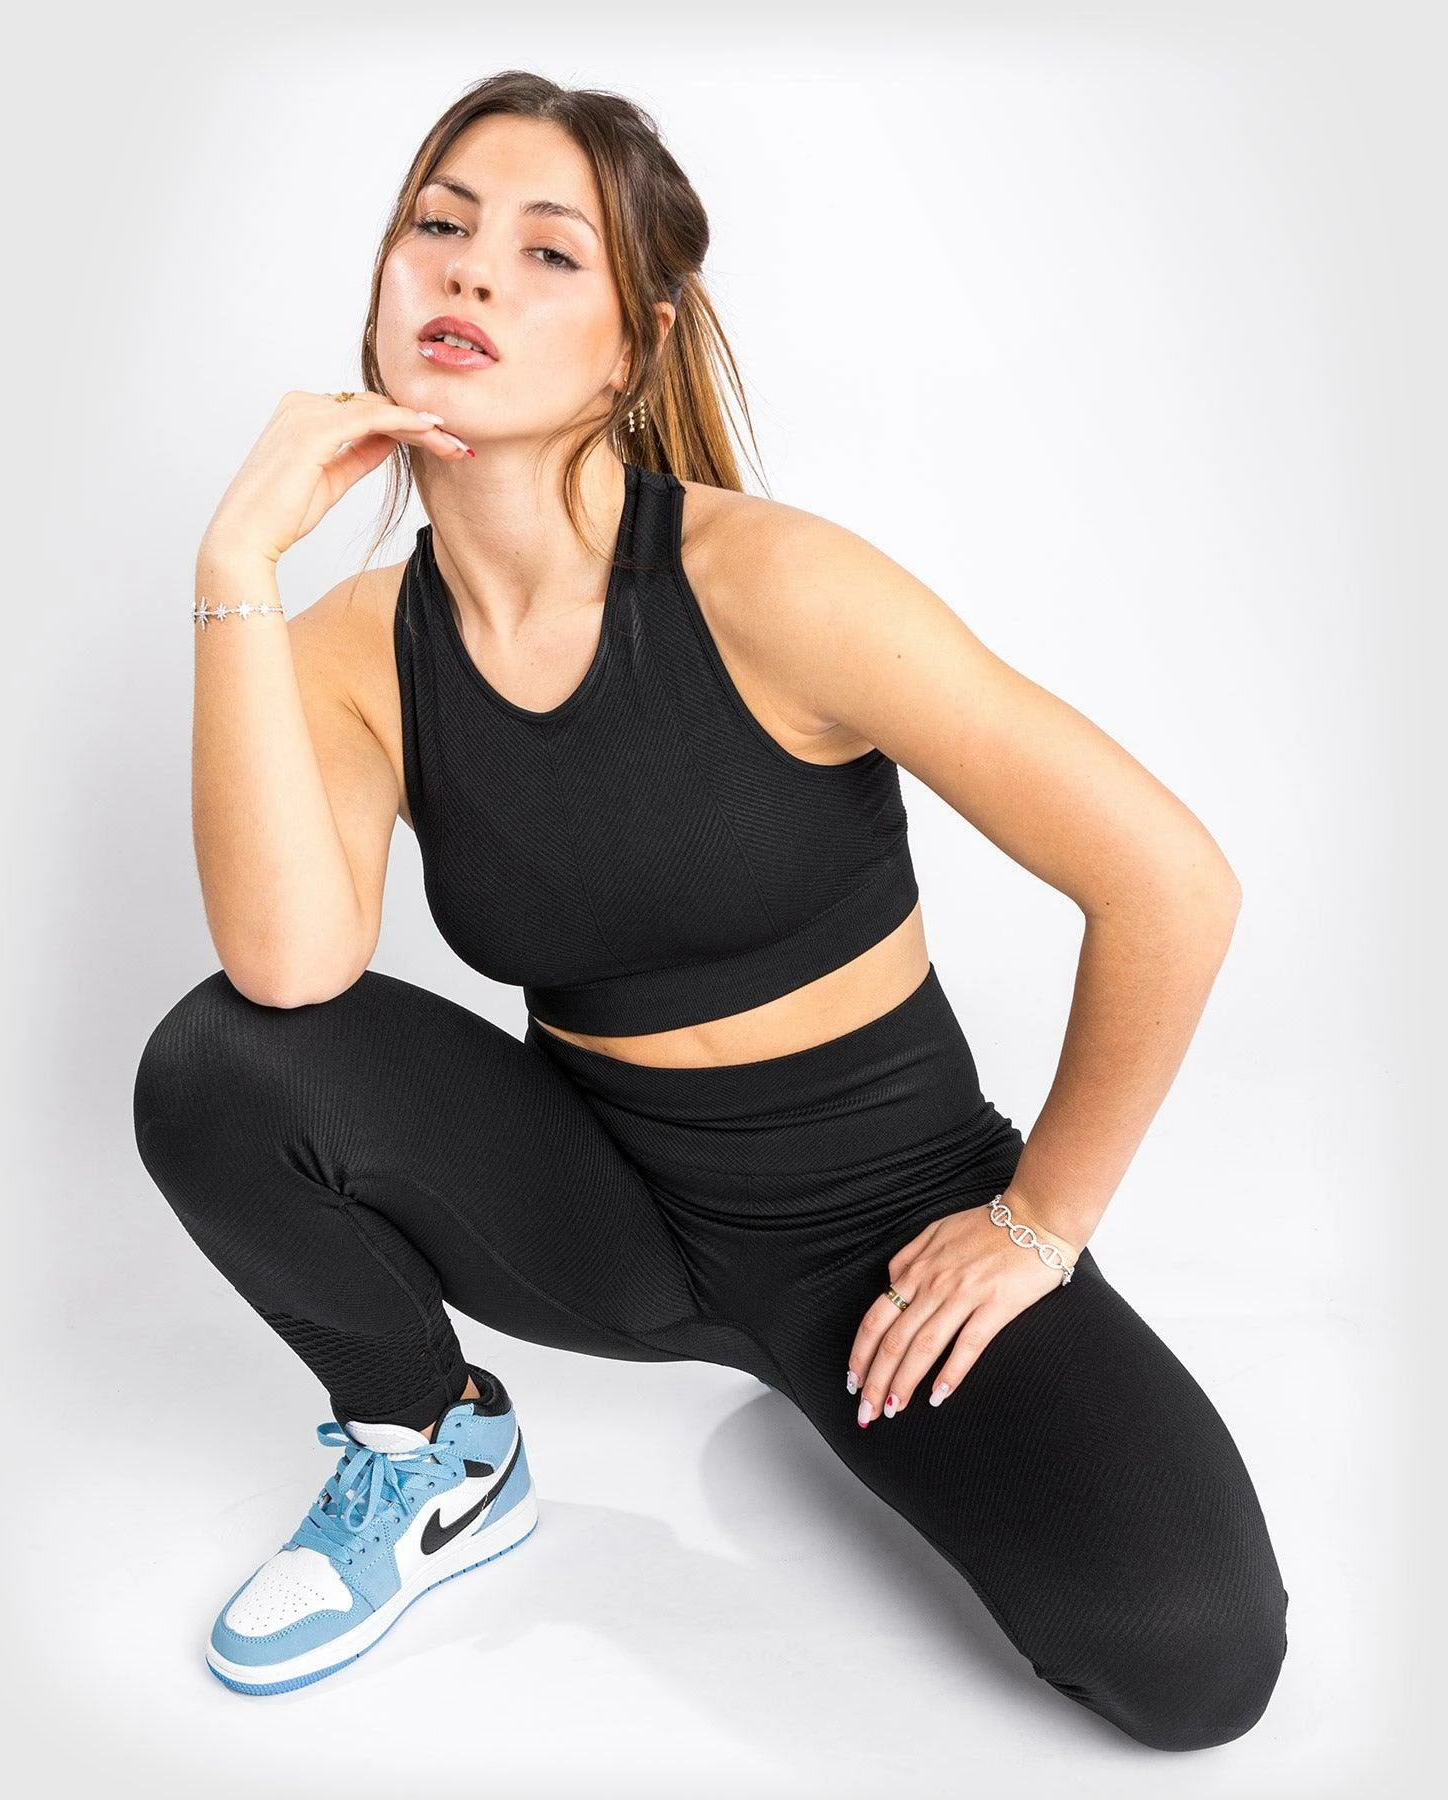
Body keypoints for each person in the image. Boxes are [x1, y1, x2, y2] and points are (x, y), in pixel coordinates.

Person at [132, 69, 1289, 1741]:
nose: (471, 271)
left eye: (549, 253)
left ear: (635, 348)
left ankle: (849, 1380)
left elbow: (1169, 884)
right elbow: (289, 970)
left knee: (1194, 1662)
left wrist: (1038, 1224)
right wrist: (234, 572)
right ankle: (438, 1450)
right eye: (439, 227)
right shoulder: (346, 653)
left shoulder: (773, 585)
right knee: (218, 1062)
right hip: (614, 1222)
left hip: (894, 1225)